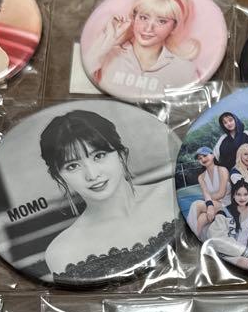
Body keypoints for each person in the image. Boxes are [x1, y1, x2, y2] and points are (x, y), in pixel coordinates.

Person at [38, 109, 177, 282]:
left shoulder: (174, 191)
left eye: (99, 156)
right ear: (59, 177)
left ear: (121, 154)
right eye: (72, 166)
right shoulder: (63, 251)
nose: (92, 175)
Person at [87, 0, 200, 98]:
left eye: (161, 21)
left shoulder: (185, 69)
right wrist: (109, 38)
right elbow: (83, 80)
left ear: (174, 27)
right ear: (134, 18)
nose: (148, 28)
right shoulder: (105, 55)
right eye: (143, 18)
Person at [185, 146, 230, 239]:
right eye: (200, 158)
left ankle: (187, 236)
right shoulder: (201, 177)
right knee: (202, 218)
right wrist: (209, 204)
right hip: (213, 204)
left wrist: (208, 202)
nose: (203, 159)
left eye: (205, 156)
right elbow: (206, 194)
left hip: (226, 204)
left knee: (196, 204)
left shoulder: (222, 170)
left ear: (212, 155)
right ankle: (194, 239)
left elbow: (221, 193)